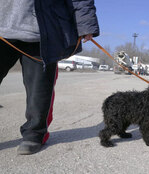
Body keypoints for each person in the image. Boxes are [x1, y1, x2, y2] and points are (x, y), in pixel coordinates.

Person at [0, 0, 99, 155]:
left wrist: (86, 24)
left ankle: (34, 133)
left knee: (40, 90)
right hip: (2, 29)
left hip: (41, 32)